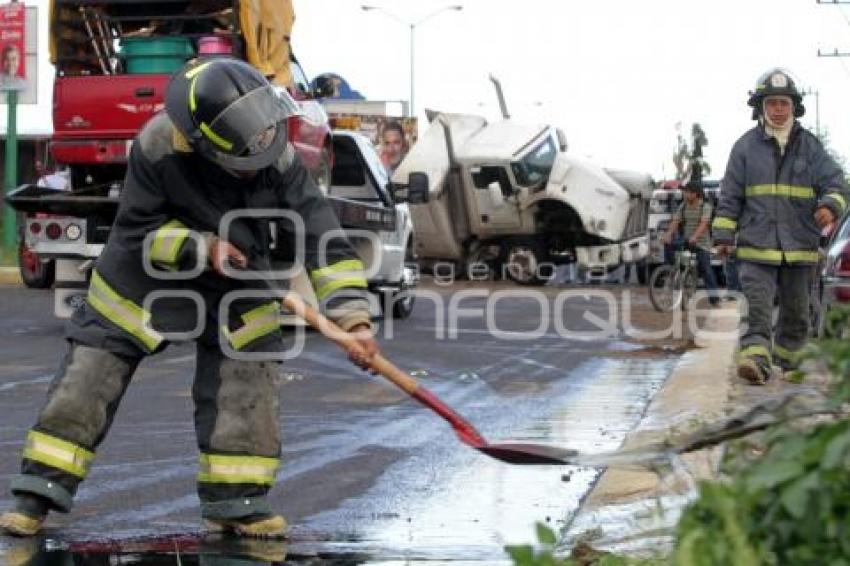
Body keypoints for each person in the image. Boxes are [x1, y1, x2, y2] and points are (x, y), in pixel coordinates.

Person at [0, 58, 379, 538]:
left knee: (247, 380)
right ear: (202, 142)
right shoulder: (159, 144)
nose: (256, 156)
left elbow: (325, 241)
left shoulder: (276, 153)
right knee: (88, 379)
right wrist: (202, 247)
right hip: (144, 278)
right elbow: (137, 232)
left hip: (242, 274)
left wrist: (354, 321)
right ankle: (35, 495)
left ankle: (237, 502)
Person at [713, 68, 849, 384]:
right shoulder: (744, 148)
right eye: (771, 102)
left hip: (799, 247)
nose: (777, 109)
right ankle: (756, 362)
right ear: (760, 107)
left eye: (783, 103)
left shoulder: (811, 148)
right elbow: (730, 195)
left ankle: (791, 363)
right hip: (755, 247)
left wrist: (830, 205)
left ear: (793, 107)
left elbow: (837, 184)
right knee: (757, 308)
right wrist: (722, 234)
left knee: (797, 314)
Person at [662, 181, 720, 306]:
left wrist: (695, 237)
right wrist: (668, 234)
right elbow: (675, 221)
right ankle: (671, 270)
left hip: (702, 243)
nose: (685, 194)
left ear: (695, 194)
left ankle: (715, 299)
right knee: (668, 244)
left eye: (687, 192)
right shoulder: (683, 206)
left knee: (706, 269)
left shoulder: (705, 207)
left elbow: (704, 224)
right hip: (687, 240)